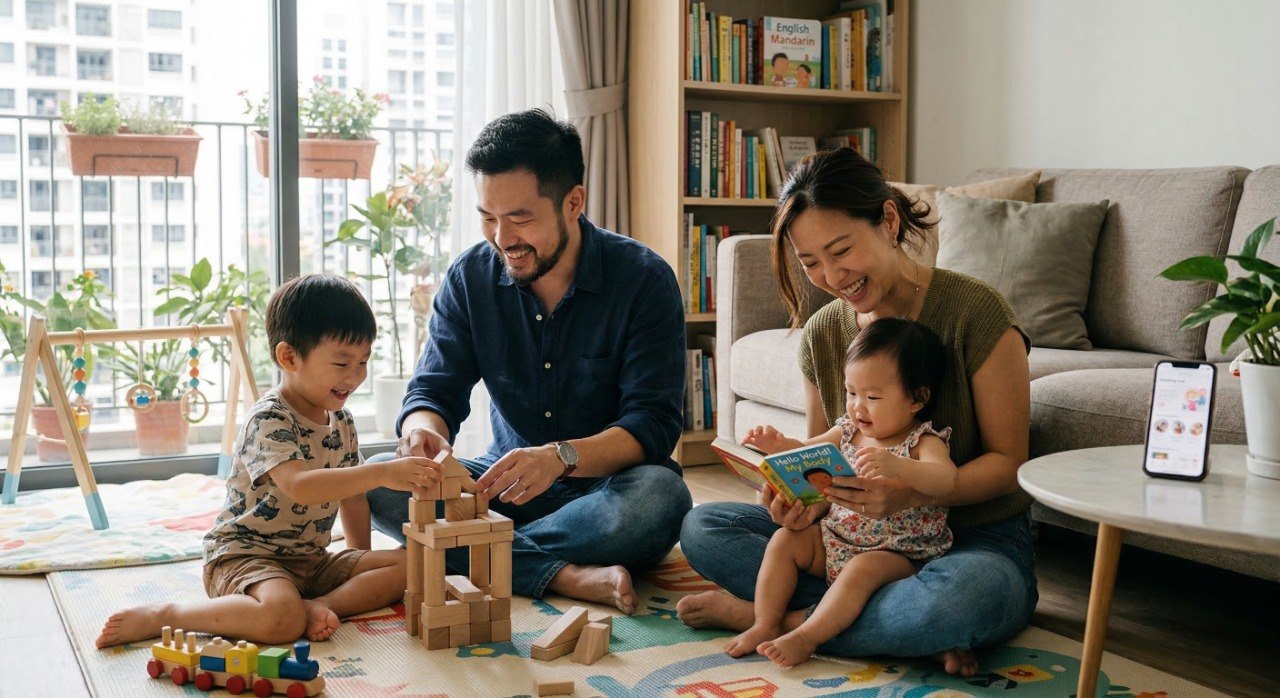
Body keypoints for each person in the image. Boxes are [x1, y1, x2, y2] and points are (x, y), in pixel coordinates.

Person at [677, 147, 1037, 677]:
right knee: (703, 526)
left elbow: (1010, 465)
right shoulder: (824, 335)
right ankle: (869, 624)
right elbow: (828, 456)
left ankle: (774, 617)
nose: (832, 275)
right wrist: (796, 500)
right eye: (810, 263)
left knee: (964, 600)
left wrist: (913, 488)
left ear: (888, 221)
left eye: (841, 250)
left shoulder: (976, 313)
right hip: (847, 539)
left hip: (967, 543)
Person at [366, 108, 691, 615]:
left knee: (661, 500)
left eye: (520, 218)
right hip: (502, 487)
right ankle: (561, 573)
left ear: (573, 202)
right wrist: (420, 431)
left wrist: (559, 457)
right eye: (488, 217)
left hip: (609, 491)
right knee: (375, 478)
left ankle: (476, 552)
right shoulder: (469, 278)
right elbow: (433, 389)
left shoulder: (645, 281)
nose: (502, 238)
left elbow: (653, 425)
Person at [96, 275, 437, 648]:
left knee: (413, 564)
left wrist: (357, 559)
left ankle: (316, 606)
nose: (355, 376)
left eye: (363, 362)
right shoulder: (270, 418)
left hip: (310, 560)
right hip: (245, 556)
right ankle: (169, 615)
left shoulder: (343, 422)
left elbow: (352, 497)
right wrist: (382, 472)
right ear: (289, 357)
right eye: (342, 363)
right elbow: (299, 485)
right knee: (280, 620)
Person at [727, 317, 957, 668]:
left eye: (873, 396)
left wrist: (901, 467)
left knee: (861, 570)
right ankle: (765, 622)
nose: (857, 406)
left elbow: (947, 481)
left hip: (895, 554)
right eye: (851, 393)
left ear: (917, 398)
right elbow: (806, 453)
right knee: (784, 540)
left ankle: (807, 636)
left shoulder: (922, 440)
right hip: (834, 539)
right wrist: (777, 447)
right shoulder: (847, 432)